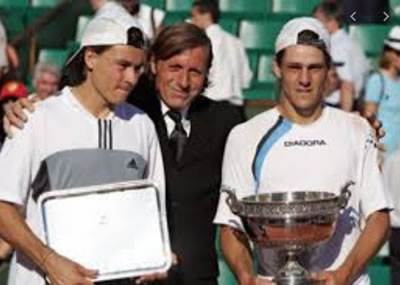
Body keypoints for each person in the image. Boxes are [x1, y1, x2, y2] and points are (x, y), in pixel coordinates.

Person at [214, 17, 391, 285]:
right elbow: (230, 226)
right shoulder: (244, 136)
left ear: (329, 70)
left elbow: (378, 217)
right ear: (277, 68)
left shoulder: (357, 129)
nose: (305, 79)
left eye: (315, 68)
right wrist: (247, 278)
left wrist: (343, 276)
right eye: (294, 67)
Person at [0, 13, 167, 285]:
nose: (131, 78)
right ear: (90, 58)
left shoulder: (142, 126)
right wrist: (50, 262)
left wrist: (153, 257)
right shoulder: (34, 118)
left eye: (137, 69)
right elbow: (2, 207)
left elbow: (152, 213)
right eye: (122, 65)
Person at [191, 0, 252, 117]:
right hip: (237, 108)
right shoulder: (236, 42)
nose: (193, 20)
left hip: (211, 106)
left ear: (207, 15)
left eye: (194, 16)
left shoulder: (202, 43)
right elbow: (246, 79)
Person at [314, 2, 370, 112]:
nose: (314, 26)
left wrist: (344, 121)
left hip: (338, 108)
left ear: (332, 22)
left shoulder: (338, 47)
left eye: (317, 21)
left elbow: (347, 85)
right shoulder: (346, 42)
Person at [363, 26, 400, 159]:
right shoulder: (377, 80)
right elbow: (370, 120)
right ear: (389, 53)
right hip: (384, 154)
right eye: (398, 53)